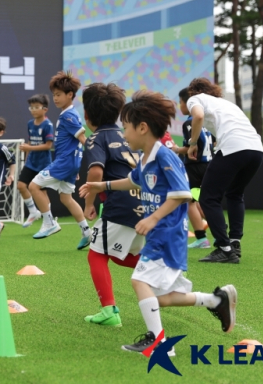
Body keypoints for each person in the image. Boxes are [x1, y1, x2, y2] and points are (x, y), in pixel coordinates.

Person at [80, 90, 237, 355]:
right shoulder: (145, 157)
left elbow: (182, 194)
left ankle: (159, 342)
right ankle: (215, 300)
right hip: (160, 236)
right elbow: (132, 181)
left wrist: (153, 218)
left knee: (139, 282)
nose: (124, 133)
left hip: (167, 235)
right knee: (159, 298)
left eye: (127, 127)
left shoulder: (165, 156)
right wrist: (100, 184)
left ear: (142, 128)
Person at [79, 83, 143, 327]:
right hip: (143, 203)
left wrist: (89, 204)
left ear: (87, 115)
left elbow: (95, 173)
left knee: (96, 254)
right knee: (118, 255)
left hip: (120, 205)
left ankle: (109, 311)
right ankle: (162, 265)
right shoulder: (127, 135)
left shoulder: (96, 139)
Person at [186, 78, 263, 264]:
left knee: (207, 197)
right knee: (235, 194)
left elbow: (197, 117)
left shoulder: (196, 98)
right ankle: (234, 243)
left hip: (234, 147)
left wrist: (193, 143)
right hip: (256, 149)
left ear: (193, 92)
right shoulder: (226, 104)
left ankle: (224, 248)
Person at [27, 71, 91, 249]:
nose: (55, 98)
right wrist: (76, 167)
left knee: (33, 186)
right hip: (71, 163)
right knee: (66, 198)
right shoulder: (71, 113)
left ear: (70, 95)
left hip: (64, 162)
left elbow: (82, 137)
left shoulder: (67, 116)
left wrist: (93, 152)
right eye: (54, 94)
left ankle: (49, 222)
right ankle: (87, 232)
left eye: (59, 95)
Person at [175, 88, 215, 249]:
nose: (180, 106)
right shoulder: (208, 122)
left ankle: (201, 238)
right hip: (209, 166)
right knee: (206, 202)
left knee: (189, 201)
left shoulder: (189, 123)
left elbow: (193, 147)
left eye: (180, 102)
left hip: (194, 168)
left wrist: (176, 150)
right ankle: (221, 236)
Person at [18, 94, 55, 227]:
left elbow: (48, 146)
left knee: (42, 192)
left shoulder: (48, 125)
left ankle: (49, 219)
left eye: (36, 107)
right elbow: (30, 141)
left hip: (43, 164)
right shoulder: (30, 123)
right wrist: (27, 156)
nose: (33, 110)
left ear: (45, 109)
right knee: (21, 186)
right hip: (31, 163)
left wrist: (30, 147)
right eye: (31, 107)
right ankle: (33, 212)